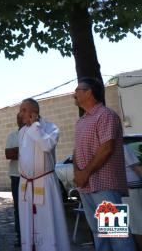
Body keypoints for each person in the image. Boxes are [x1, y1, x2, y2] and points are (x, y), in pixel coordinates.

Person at [73, 77, 135, 250]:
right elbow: (76, 151)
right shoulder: (81, 121)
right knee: (99, 237)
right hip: (85, 187)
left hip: (104, 185)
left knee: (116, 235)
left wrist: (84, 173)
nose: (74, 95)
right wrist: (77, 173)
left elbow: (106, 148)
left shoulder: (106, 115)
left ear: (89, 92)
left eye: (78, 90)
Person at [17, 98, 69, 251]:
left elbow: (46, 145)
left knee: (47, 221)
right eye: (20, 111)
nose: (20, 114)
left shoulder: (51, 128)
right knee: (28, 221)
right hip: (26, 183)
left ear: (35, 112)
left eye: (24, 110)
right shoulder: (21, 131)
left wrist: (35, 127)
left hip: (44, 182)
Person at [5, 113, 24, 247]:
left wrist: (17, 151)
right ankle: (20, 236)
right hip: (16, 177)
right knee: (18, 208)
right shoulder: (12, 136)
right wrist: (24, 149)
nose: (19, 120)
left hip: (32, 177)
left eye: (22, 117)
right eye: (17, 118)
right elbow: (8, 154)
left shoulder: (33, 134)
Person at [122, 143, 142, 250]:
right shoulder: (122, 147)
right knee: (138, 226)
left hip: (112, 192)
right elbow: (137, 168)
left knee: (119, 231)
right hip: (131, 191)